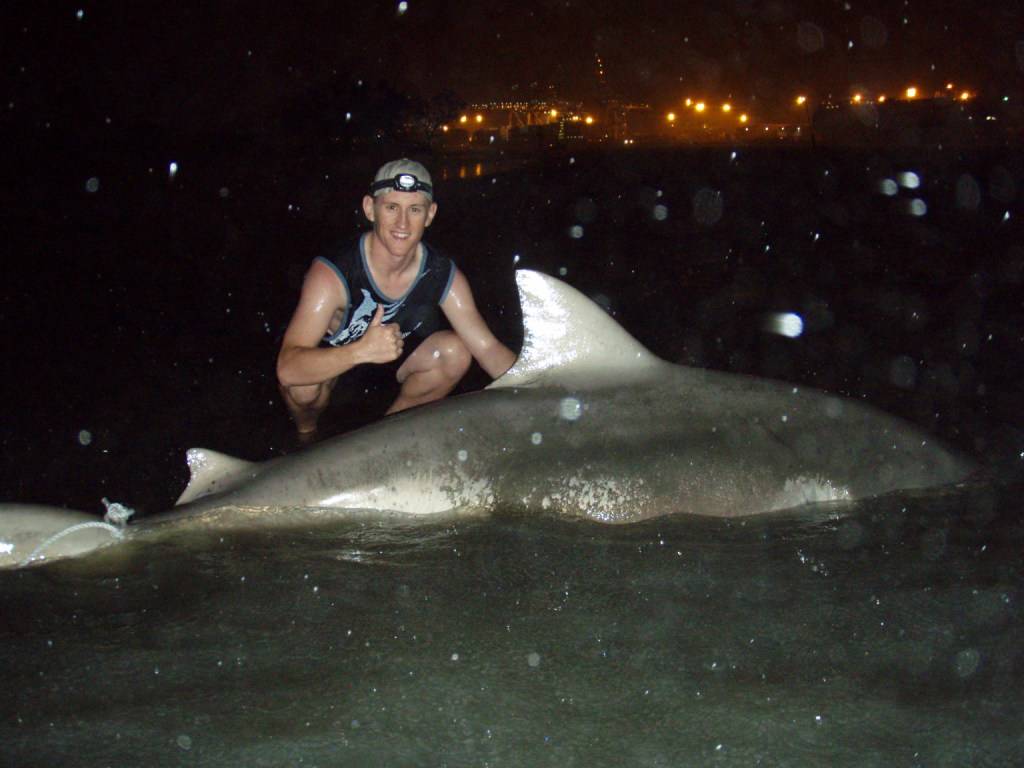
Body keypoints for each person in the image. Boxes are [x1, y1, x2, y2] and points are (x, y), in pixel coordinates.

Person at [276, 158, 517, 438]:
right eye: (391, 207)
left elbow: (488, 349)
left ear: (430, 214)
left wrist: (542, 384)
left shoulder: (442, 274)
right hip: (336, 371)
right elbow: (287, 368)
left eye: (414, 209)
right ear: (370, 208)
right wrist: (360, 351)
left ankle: (383, 441)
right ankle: (306, 437)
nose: (402, 223)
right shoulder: (333, 274)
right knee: (302, 387)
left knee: (454, 352)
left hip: (395, 368)